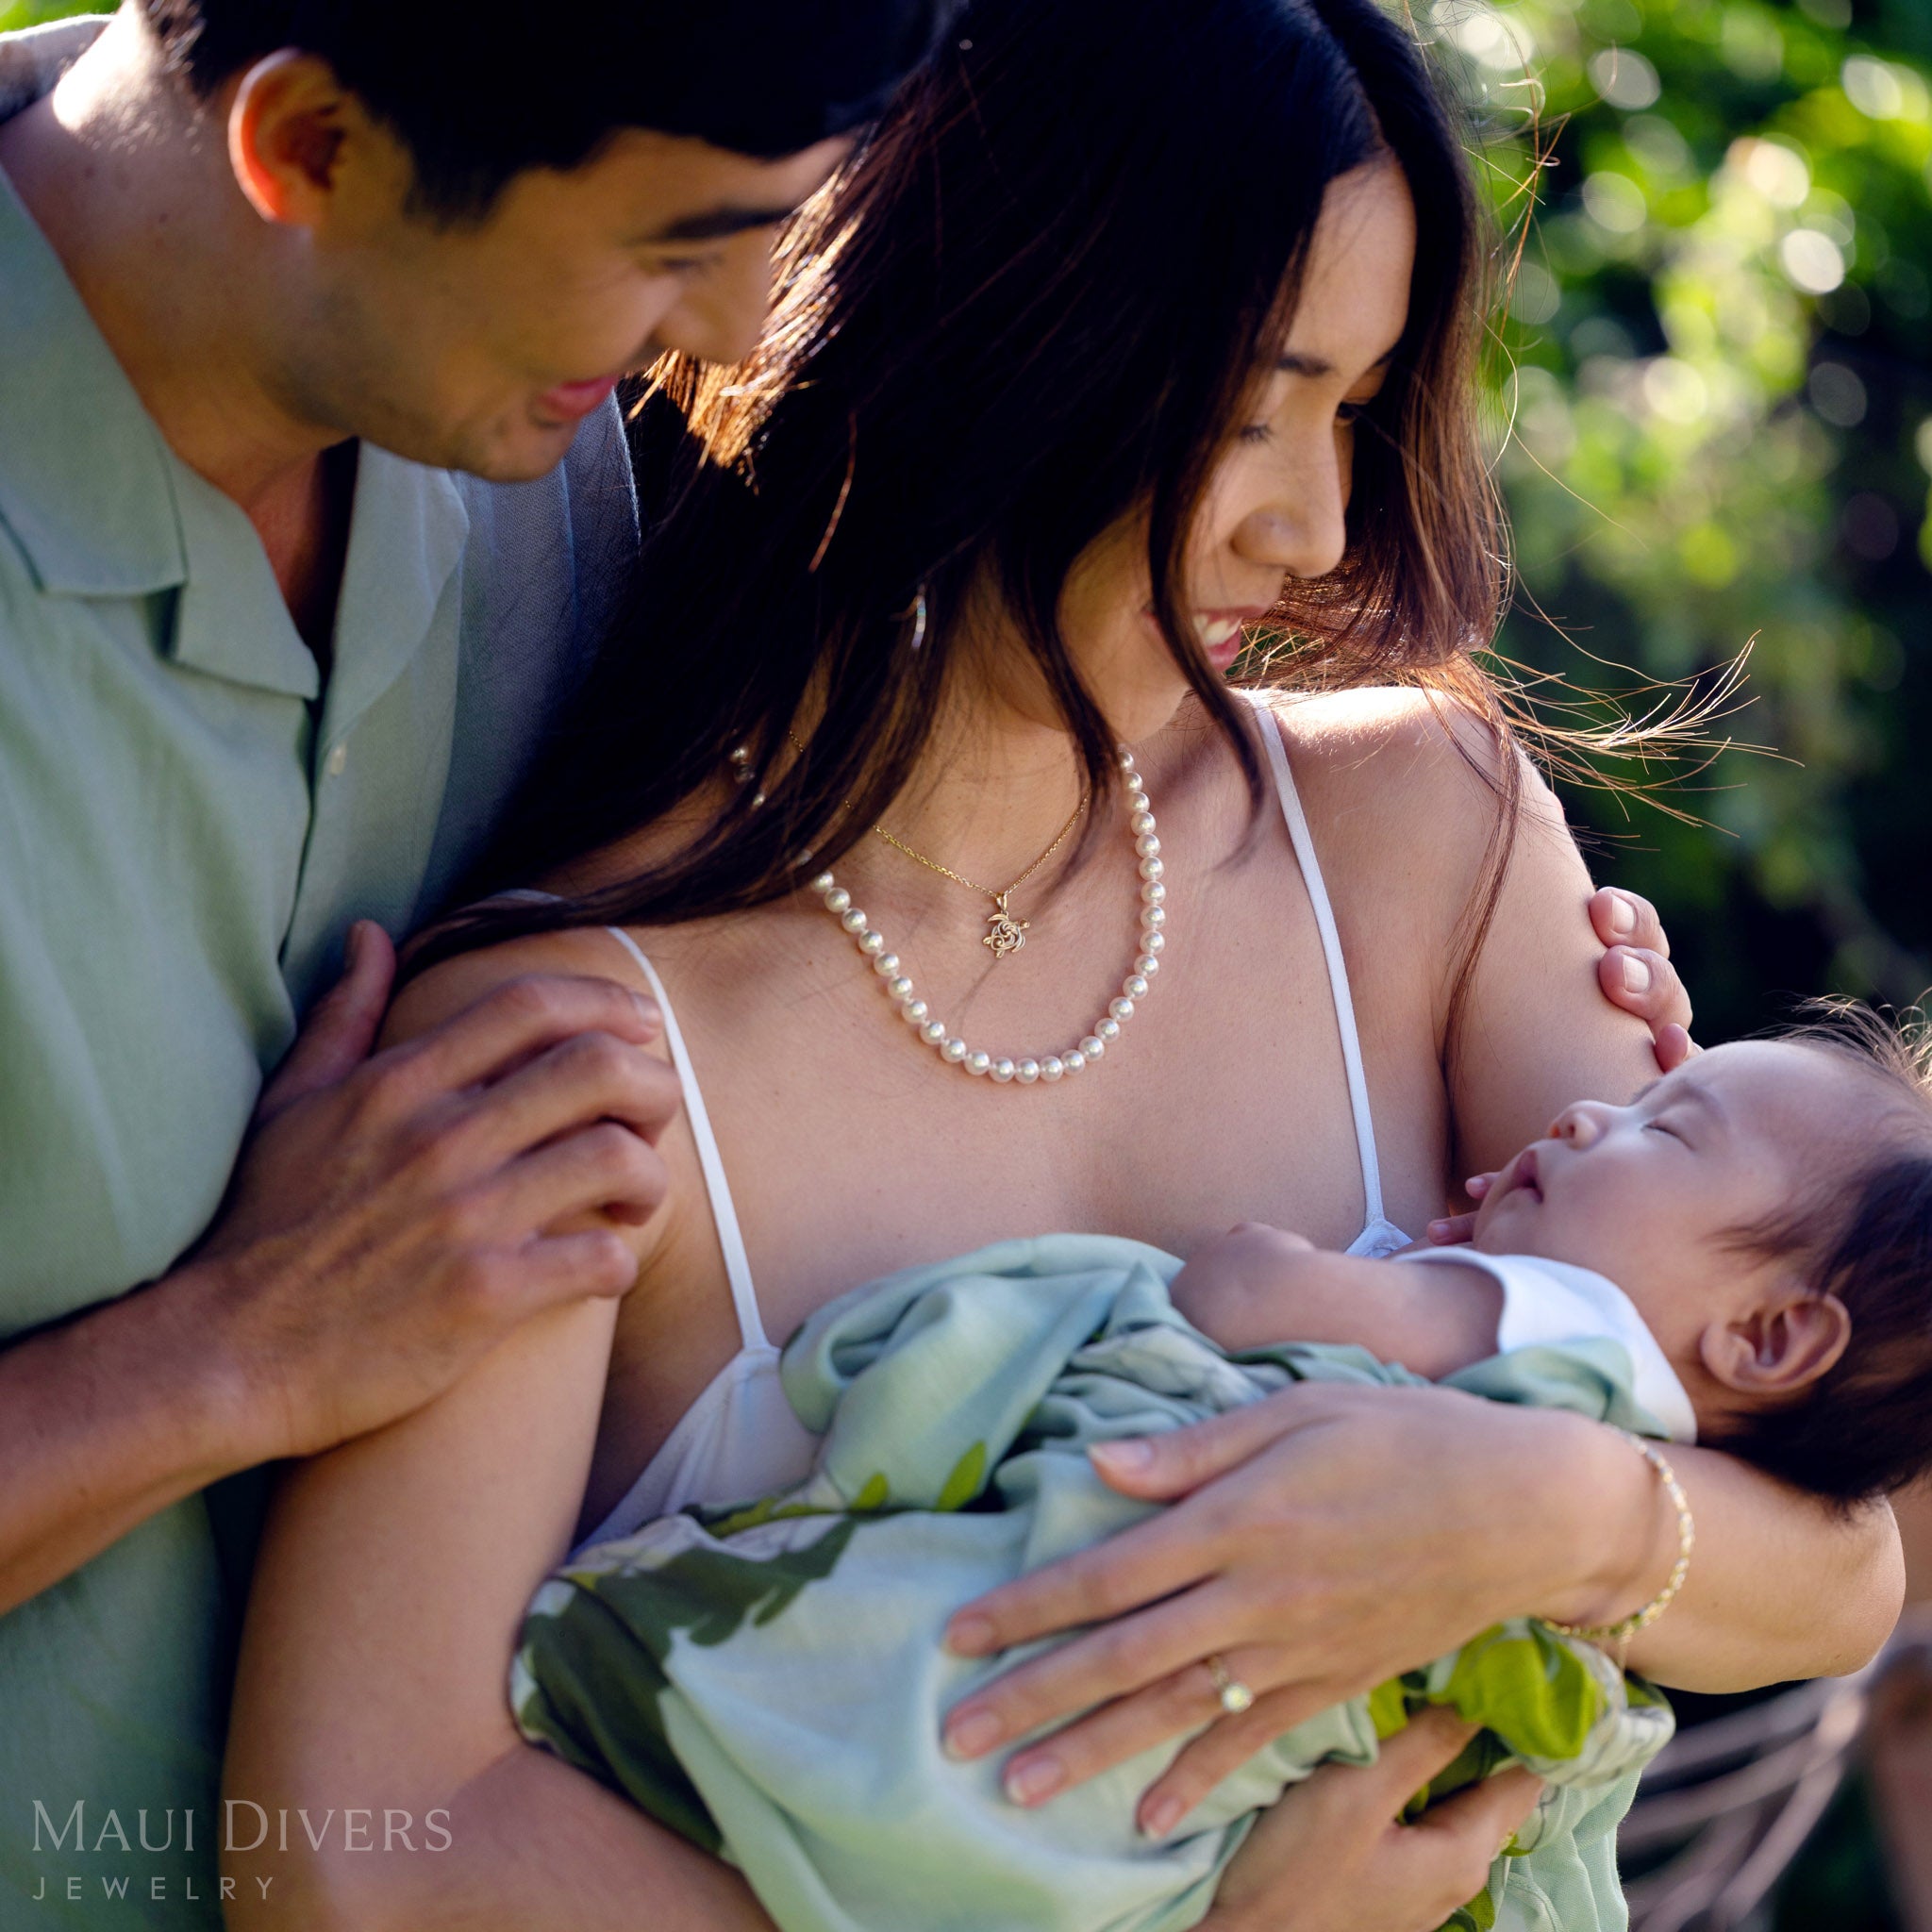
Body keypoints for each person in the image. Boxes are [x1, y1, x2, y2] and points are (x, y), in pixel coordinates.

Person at [222, 3, 1890, 1929]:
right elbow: (353, 1850)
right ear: (994, 337)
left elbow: (1849, 1548)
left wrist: (1539, 1509)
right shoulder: (576, 1046)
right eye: (1248, 407)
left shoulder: (1424, 831)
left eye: (1349, 409)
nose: (1317, 521)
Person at [0, 3, 949, 1922]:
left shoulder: (520, 396)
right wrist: (230, 1348)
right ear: (312, 151)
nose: (743, 335)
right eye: (678, 247)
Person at [502, 1017, 1932, 1932]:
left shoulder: (1564, 1339)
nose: (1581, 1116)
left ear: (1769, 1335)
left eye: (1661, 1130)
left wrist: (1373, 1276)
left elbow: (1240, 1299)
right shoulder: (1659, 1431)